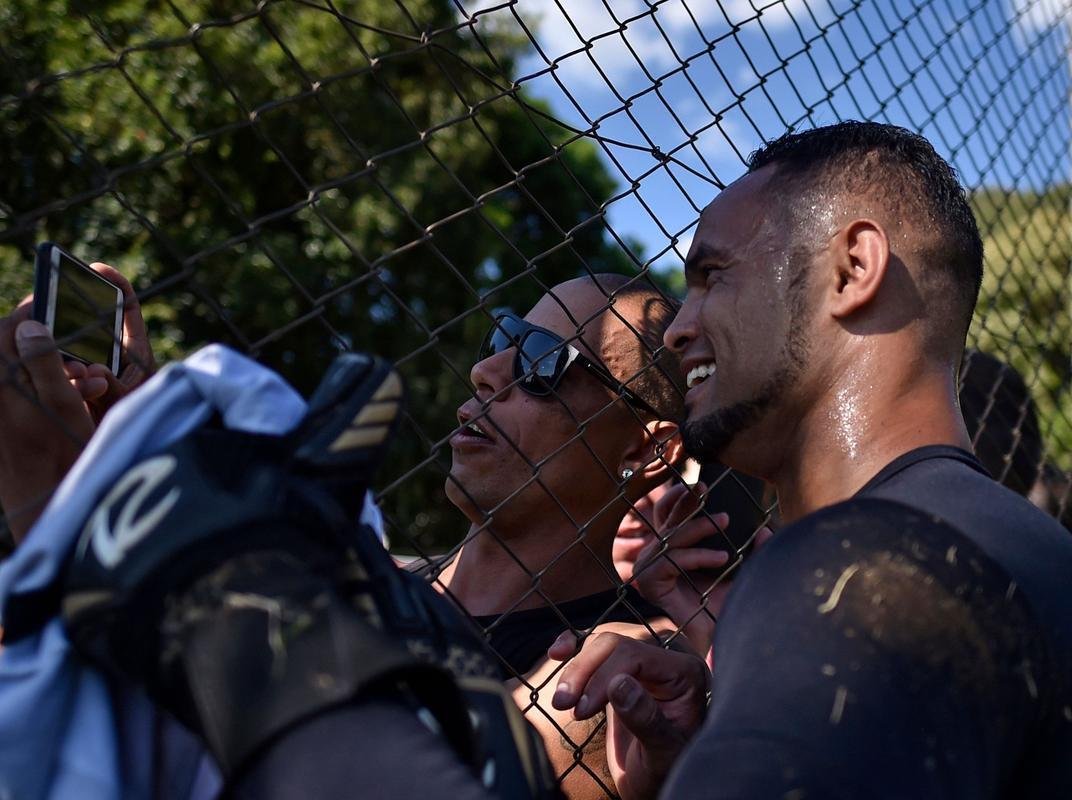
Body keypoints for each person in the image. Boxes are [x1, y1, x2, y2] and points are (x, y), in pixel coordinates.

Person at [552, 120, 1072, 798]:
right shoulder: (1032, 548)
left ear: (854, 269)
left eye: (713, 276)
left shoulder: (851, 564)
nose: (679, 328)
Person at [428, 273, 717, 798]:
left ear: (645, 452)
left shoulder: (610, 672)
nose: (485, 372)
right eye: (503, 339)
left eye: (541, 362)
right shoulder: (379, 579)